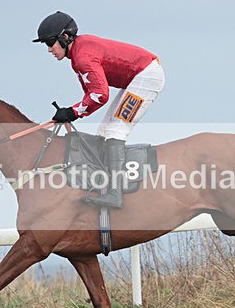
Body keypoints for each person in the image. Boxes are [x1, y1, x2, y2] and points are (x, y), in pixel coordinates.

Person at [33, 11, 165, 209]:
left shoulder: (82, 57)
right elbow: (92, 95)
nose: (49, 49)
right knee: (103, 132)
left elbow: (100, 95)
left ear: (65, 37)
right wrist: (73, 112)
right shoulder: (77, 54)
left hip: (146, 76)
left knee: (115, 131)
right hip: (137, 77)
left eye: (50, 42)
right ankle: (106, 186)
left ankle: (114, 193)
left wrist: (72, 112)